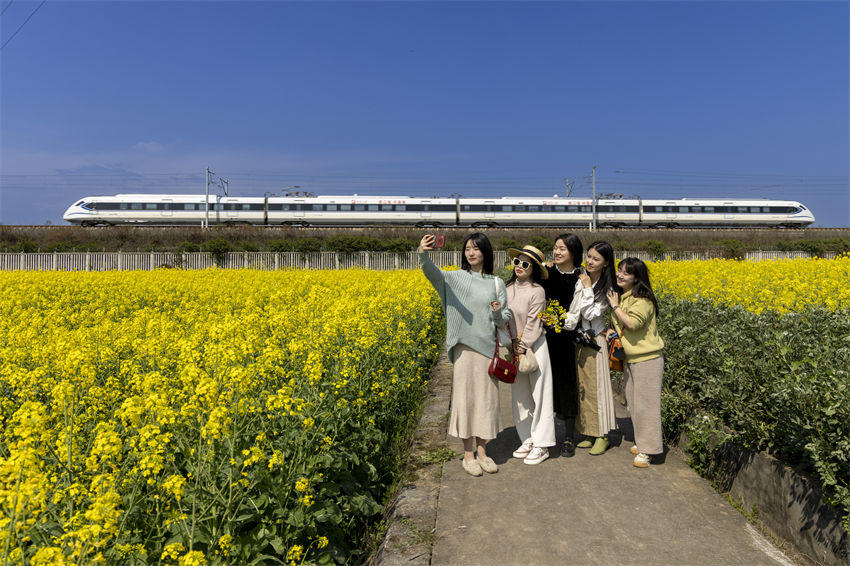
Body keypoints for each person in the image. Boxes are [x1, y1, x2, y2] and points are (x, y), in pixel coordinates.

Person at [419, 232, 512, 477]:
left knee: (486, 401)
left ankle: (483, 452)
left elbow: (504, 318)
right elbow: (433, 274)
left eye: (476, 248)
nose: (471, 253)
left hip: (487, 349)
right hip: (463, 349)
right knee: (466, 400)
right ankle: (468, 455)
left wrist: (496, 312)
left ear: (485, 252)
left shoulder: (495, 283)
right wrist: (423, 253)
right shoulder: (455, 278)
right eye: (467, 248)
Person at [607, 258, 665, 468]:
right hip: (632, 359)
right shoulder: (625, 297)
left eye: (626, 273)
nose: (620, 275)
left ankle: (648, 450)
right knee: (633, 402)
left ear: (637, 278)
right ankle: (643, 442)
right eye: (619, 271)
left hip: (648, 359)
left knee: (646, 406)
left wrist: (614, 306)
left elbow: (632, 323)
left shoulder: (643, 300)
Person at [563, 241, 618, 455]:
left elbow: (592, 314)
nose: (590, 261)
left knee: (598, 390)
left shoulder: (609, 287)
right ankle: (589, 432)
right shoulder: (583, 281)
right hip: (582, 341)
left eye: (596, 259)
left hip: (597, 343)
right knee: (584, 389)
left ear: (606, 263)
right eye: (589, 256)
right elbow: (576, 311)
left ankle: (603, 435)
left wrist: (586, 287)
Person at [505, 245, 555, 465]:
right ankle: (527, 438)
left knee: (541, 395)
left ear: (534, 268)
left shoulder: (537, 290)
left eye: (525, 264)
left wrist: (523, 345)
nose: (519, 267)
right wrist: (511, 345)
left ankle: (542, 444)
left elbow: (534, 323)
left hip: (535, 346)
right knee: (520, 397)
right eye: (517, 262)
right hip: (515, 347)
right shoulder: (506, 288)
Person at [541, 233, 583, 457]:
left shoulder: (581, 278)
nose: (556, 252)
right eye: (555, 248)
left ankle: (568, 437)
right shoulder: (546, 274)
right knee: (545, 386)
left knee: (567, 387)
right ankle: (542, 436)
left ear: (573, 253)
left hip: (568, 338)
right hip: (546, 336)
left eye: (562, 249)